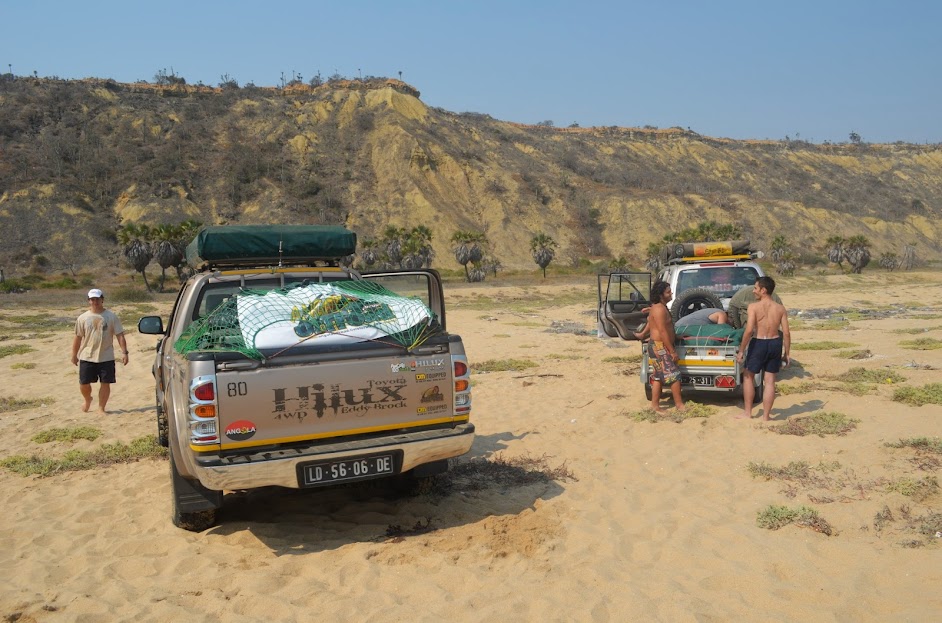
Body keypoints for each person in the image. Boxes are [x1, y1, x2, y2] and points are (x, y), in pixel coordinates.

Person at [735, 277, 790, 421]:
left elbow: (748, 331)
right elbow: (786, 332)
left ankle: (748, 413)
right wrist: (787, 354)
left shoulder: (753, 307)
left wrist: (741, 350)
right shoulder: (780, 308)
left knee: (748, 377)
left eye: (755, 288)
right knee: (770, 380)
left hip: (759, 343)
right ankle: (766, 416)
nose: (753, 291)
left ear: (763, 290)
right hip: (775, 343)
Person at [71, 288, 128, 414]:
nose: (95, 302)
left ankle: (102, 408)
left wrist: (124, 352)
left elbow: (119, 335)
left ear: (102, 300)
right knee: (84, 383)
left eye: (97, 299)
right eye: (92, 299)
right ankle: (87, 399)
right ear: (89, 301)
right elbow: (78, 337)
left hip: (106, 356)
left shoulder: (111, 316)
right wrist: (74, 355)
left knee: (105, 382)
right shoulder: (82, 318)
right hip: (87, 356)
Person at [634, 281, 685, 413]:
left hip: (658, 346)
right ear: (661, 295)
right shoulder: (659, 309)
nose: (671, 293)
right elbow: (662, 331)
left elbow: (657, 325)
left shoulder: (659, 307)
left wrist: (676, 336)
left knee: (658, 376)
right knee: (674, 375)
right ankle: (679, 405)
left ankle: (655, 406)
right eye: (668, 291)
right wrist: (672, 351)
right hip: (659, 347)